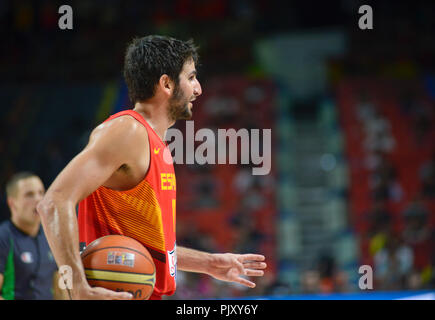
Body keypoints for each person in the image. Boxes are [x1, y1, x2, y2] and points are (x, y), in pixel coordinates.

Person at [37, 35, 267, 300]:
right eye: (191, 78)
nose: (198, 89)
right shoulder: (127, 131)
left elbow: (148, 248)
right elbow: (54, 202)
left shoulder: (155, 143)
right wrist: (77, 287)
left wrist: (208, 264)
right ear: (166, 84)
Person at [0, 172, 64, 300]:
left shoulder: (51, 235)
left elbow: (59, 290)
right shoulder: (3, 237)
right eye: (29, 195)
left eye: (41, 193)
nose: (38, 199)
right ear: (12, 203)